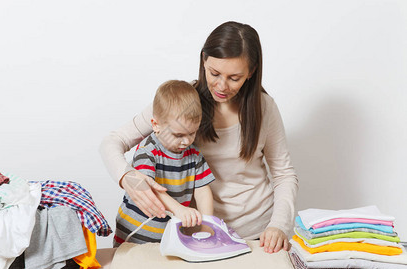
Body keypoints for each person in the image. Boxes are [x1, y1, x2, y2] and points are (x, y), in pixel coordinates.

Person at [101, 21, 298, 253]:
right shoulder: (181, 103)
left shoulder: (264, 108)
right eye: (214, 73)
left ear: (251, 72)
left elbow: (284, 175)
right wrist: (127, 177)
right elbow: (113, 141)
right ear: (204, 59)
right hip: (195, 234)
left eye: (234, 78)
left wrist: (278, 226)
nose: (222, 86)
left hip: (256, 235)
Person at [113, 80, 215, 247]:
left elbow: (203, 192)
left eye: (192, 133)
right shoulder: (147, 152)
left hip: (168, 238)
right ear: (156, 125)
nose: (186, 141)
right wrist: (179, 209)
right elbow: (148, 188)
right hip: (133, 238)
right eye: (178, 135)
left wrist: (207, 226)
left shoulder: (194, 156)